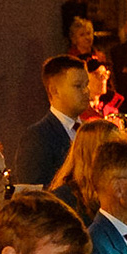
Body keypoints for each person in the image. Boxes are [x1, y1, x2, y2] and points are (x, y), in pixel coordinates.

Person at [12, 56, 91, 190]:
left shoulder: (88, 130)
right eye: (78, 86)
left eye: (86, 85)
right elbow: (33, 193)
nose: (86, 91)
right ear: (54, 91)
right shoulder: (37, 137)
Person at [47, 117, 120, 220]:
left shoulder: (116, 193)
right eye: (115, 150)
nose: (122, 157)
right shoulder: (63, 199)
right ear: (94, 153)